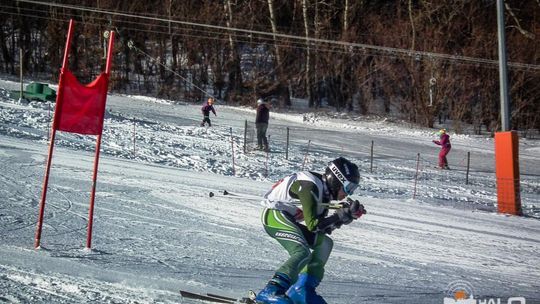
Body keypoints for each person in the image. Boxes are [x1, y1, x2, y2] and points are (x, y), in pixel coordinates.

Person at [255, 157, 366, 304]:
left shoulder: (323, 193)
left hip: (288, 218)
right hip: (274, 215)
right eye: (348, 187)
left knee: (325, 243)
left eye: (352, 189)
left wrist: (344, 217)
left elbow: (322, 229)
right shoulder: (311, 186)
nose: (348, 193)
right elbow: (313, 225)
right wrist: (339, 216)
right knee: (302, 252)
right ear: (336, 180)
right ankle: (271, 290)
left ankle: (302, 289)